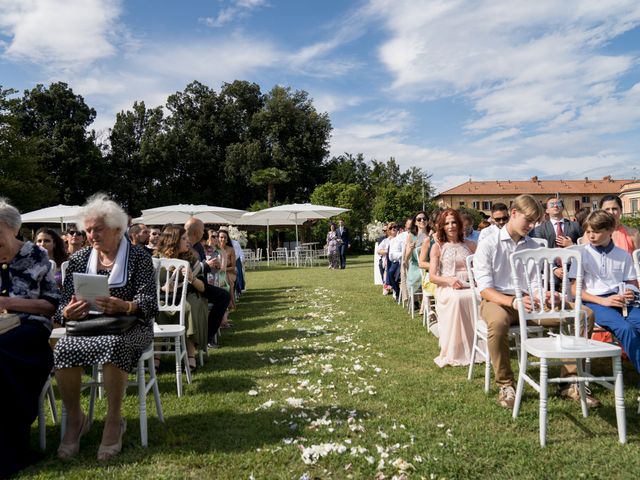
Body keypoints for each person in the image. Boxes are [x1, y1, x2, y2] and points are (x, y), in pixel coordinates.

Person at [53, 194, 158, 461]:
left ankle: (114, 421)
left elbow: (149, 303)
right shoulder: (78, 260)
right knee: (63, 347)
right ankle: (77, 420)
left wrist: (126, 306)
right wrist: (66, 311)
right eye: (87, 230)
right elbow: (62, 304)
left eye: (97, 229)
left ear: (117, 228)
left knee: (114, 346)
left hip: (131, 327)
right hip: (89, 326)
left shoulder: (138, 258)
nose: (91, 236)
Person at [473, 194, 598, 409]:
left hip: (530, 301)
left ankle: (570, 380)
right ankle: (506, 384)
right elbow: (484, 289)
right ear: (514, 213)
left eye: (534, 222)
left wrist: (548, 295)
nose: (531, 226)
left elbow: (534, 282)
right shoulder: (488, 244)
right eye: (528, 221)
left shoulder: (531, 245)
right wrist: (513, 302)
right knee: (498, 323)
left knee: (583, 315)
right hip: (498, 301)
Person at [0, 199, 60, 478]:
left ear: (13, 229)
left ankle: (12, 448)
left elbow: (51, 306)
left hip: (30, 332)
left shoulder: (37, 257)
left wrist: (11, 303)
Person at [570, 210, 640, 373]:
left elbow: (631, 283)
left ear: (610, 230)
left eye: (596, 231)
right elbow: (574, 289)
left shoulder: (623, 255)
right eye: (588, 232)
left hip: (620, 300)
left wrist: (629, 291)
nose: (591, 235)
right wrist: (603, 301)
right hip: (593, 302)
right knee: (626, 328)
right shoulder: (581, 253)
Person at [429, 209, 478, 366]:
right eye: (447, 223)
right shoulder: (438, 247)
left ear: (459, 224)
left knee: (478, 296)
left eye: (454, 222)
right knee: (458, 299)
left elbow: (481, 268)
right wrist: (449, 281)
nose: (451, 226)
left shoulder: (470, 245)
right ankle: (456, 350)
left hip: (470, 284)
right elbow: (432, 277)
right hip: (447, 286)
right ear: (442, 227)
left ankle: (477, 347)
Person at [155, 226, 208, 371]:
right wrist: (162, 288)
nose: (188, 241)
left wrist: (192, 278)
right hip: (163, 299)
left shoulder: (191, 259)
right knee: (156, 309)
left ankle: (191, 356)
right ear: (173, 241)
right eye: (184, 238)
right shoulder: (156, 261)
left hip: (188, 296)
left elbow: (203, 288)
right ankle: (156, 358)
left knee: (188, 307)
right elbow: (147, 286)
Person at [184, 218, 230, 347]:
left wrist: (211, 266)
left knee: (224, 295)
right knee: (223, 296)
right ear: (198, 231)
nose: (204, 232)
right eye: (203, 229)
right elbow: (189, 269)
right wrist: (206, 265)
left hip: (201, 282)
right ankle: (208, 337)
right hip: (189, 285)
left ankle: (208, 334)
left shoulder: (198, 245)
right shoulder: (183, 245)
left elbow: (201, 268)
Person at [217, 227, 238, 310]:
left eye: (225, 237)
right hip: (217, 272)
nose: (223, 239)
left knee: (225, 278)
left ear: (227, 239)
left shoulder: (231, 250)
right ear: (218, 238)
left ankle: (231, 304)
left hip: (230, 272)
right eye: (221, 237)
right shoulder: (214, 249)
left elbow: (233, 267)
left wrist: (224, 269)